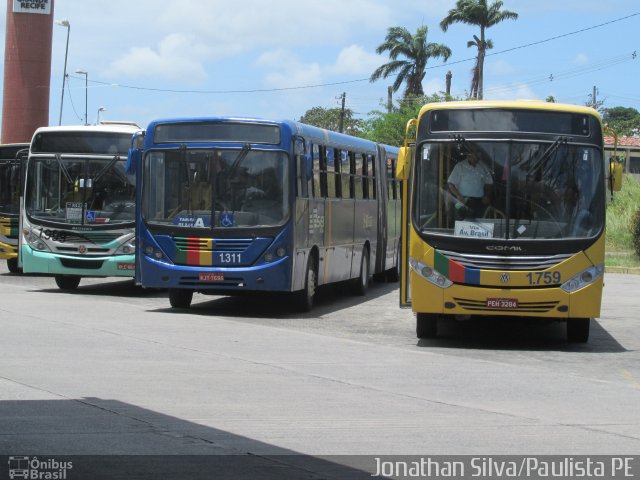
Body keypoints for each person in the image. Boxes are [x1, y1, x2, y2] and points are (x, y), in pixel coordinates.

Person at [447, 149, 494, 218]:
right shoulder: (460, 166)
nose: (478, 157)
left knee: (479, 224)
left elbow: (489, 183)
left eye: (479, 154)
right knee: (462, 223)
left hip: (479, 202)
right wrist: (458, 195)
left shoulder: (483, 166)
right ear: (469, 156)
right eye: (476, 155)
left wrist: (487, 195)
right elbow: (451, 183)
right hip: (463, 201)